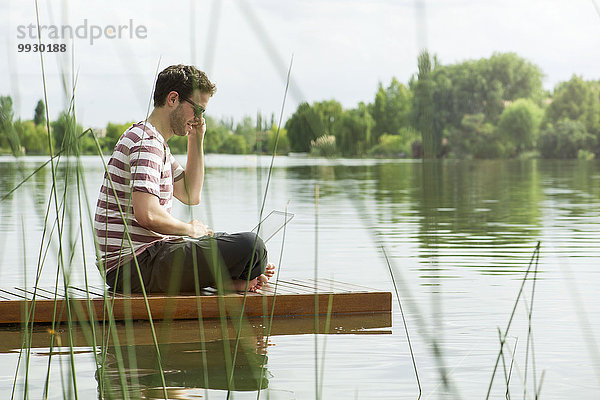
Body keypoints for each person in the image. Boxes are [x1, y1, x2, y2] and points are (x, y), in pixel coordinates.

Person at [93, 64, 274, 294]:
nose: (198, 118)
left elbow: (191, 194)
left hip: (146, 260)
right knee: (251, 245)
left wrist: (196, 138)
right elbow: (146, 214)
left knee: (228, 240)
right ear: (173, 99)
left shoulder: (156, 143)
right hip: (135, 266)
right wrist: (188, 230)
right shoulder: (145, 142)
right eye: (197, 109)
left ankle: (236, 278)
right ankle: (239, 273)